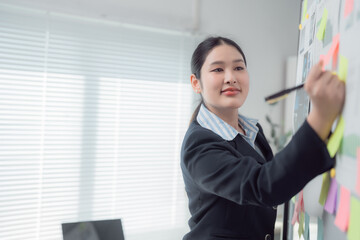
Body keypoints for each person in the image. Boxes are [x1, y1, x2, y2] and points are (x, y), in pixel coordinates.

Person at [180, 36, 345, 240]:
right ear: (196, 83)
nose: (231, 77)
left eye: (239, 68)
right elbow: (262, 186)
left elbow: (269, 176)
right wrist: (320, 116)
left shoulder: (251, 129)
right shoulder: (198, 145)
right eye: (218, 69)